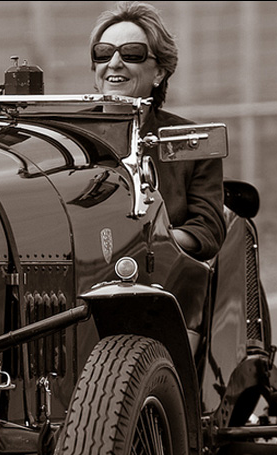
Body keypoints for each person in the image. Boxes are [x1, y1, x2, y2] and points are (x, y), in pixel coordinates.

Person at [90, 1, 225, 260]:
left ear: (159, 73)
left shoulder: (192, 141)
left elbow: (208, 230)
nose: (114, 63)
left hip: (160, 274)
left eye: (132, 53)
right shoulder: (66, 138)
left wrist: (149, 238)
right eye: (103, 53)